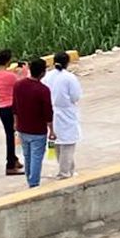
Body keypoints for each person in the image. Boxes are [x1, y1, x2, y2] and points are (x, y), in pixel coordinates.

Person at [12, 58, 52, 188]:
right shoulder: (43, 90)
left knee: (27, 155)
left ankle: (30, 180)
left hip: (22, 127)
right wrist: (52, 130)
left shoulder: (18, 85)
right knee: (36, 157)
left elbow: (15, 107)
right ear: (43, 73)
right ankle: (34, 182)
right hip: (37, 130)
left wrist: (15, 123)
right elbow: (48, 113)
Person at [43, 51, 82, 179]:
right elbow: (75, 96)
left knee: (58, 142)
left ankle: (69, 170)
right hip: (65, 111)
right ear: (67, 63)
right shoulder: (69, 77)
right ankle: (65, 172)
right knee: (68, 143)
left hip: (51, 111)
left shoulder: (47, 77)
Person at [0, 48, 26, 176]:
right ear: (8, 61)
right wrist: (23, 72)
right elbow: (21, 84)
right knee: (15, 135)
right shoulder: (11, 76)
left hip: (2, 108)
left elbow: (6, 79)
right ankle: (10, 164)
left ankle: (13, 159)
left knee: (9, 134)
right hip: (12, 108)